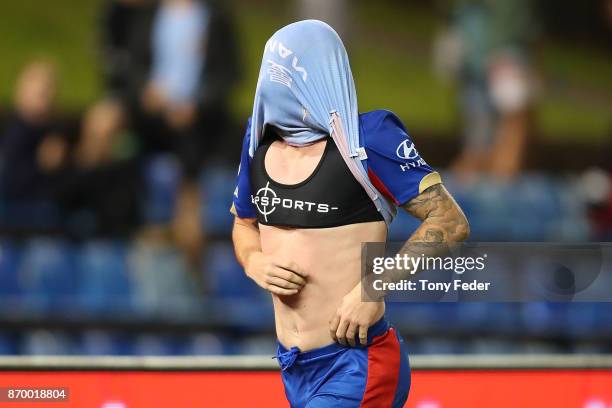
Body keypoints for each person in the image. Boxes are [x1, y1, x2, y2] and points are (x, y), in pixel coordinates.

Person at [231, 21, 469, 407]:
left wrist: (373, 287)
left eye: (285, 72)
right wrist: (252, 260)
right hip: (294, 367)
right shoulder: (258, 140)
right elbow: (243, 224)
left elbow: (450, 221)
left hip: (357, 363)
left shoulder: (369, 138)